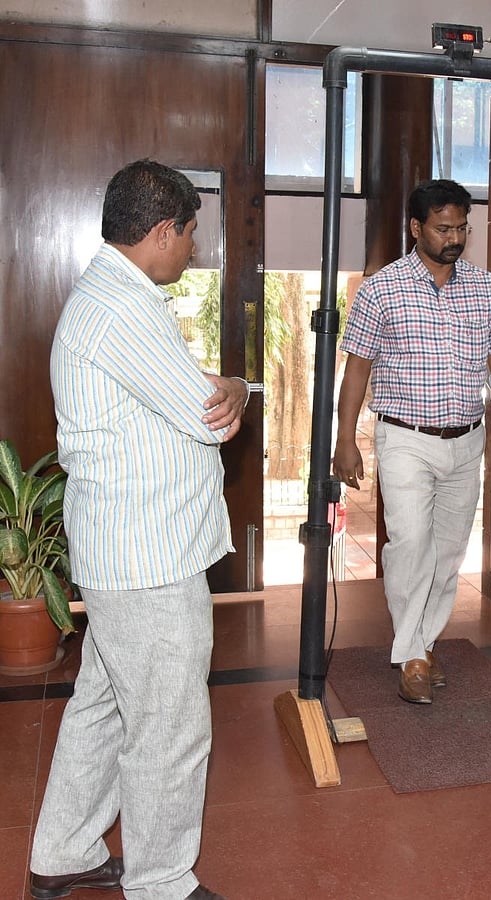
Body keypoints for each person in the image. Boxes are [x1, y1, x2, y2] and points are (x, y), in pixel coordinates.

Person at [29, 160, 249, 900]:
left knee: (104, 708)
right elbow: (206, 414)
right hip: (146, 561)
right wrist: (240, 387)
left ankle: (61, 854)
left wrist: (220, 389)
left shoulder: (112, 295)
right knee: (170, 730)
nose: (194, 249)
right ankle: (161, 884)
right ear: (162, 232)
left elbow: (177, 398)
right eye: (191, 234)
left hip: (129, 554)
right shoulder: (123, 308)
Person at [333, 178, 491, 705]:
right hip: (405, 439)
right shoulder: (382, 288)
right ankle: (413, 657)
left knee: (448, 552)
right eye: (444, 228)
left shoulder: (485, 288)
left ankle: (422, 641)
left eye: (462, 227)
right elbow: (356, 371)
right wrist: (344, 439)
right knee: (411, 543)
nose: (455, 237)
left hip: (467, 440)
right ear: (416, 227)